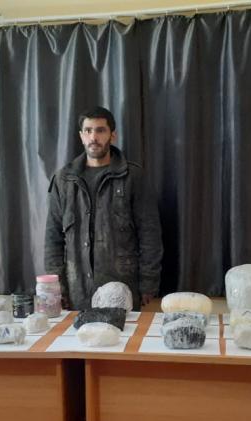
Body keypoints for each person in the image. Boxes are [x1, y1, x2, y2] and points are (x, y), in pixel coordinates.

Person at [44, 106, 162, 311]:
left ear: (112, 135)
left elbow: (150, 234)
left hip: (123, 289)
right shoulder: (63, 180)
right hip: (77, 291)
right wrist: (57, 288)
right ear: (81, 136)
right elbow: (53, 238)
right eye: (88, 131)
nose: (93, 137)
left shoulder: (133, 177)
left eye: (100, 130)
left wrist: (148, 283)